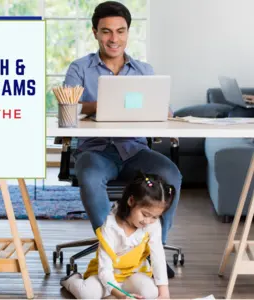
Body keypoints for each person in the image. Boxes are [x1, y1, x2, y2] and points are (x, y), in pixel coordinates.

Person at [64, 1, 182, 277]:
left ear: (128, 32)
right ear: (95, 32)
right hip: (95, 151)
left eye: (120, 31)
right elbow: (68, 106)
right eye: (106, 31)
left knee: (171, 175)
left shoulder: (144, 70)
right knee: (91, 178)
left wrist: (162, 110)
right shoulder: (80, 68)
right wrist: (101, 104)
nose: (113, 39)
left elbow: (164, 111)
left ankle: (155, 252)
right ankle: (111, 251)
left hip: (134, 150)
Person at [61, 173, 175, 299]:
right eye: (145, 214)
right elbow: (105, 272)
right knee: (87, 295)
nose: (148, 221)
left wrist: (164, 293)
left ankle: (117, 293)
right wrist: (121, 296)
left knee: (152, 293)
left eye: (155, 217)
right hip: (106, 277)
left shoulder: (153, 224)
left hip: (133, 274)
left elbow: (157, 256)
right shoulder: (110, 227)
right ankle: (71, 281)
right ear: (131, 201)